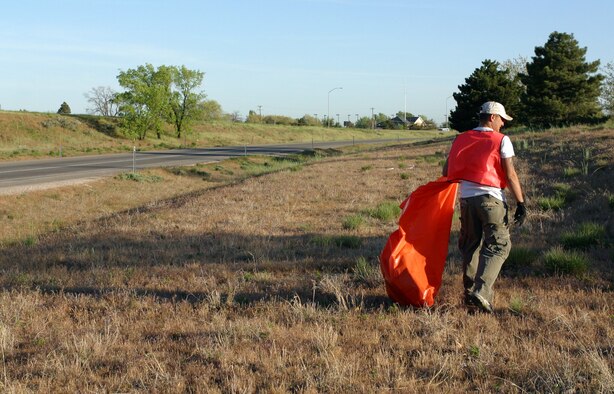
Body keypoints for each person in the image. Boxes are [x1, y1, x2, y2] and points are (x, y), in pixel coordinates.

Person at [442, 101, 526, 313]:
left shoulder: (461, 139)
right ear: (492, 117)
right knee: (499, 246)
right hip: (491, 199)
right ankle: (481, 291)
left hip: (467, 200)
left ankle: (470, 297)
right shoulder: (501, 140)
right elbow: (510, 174)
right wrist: (521, 203)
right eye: (502, 120)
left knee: (470, 246)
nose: (503, 125)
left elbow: (446, 171)